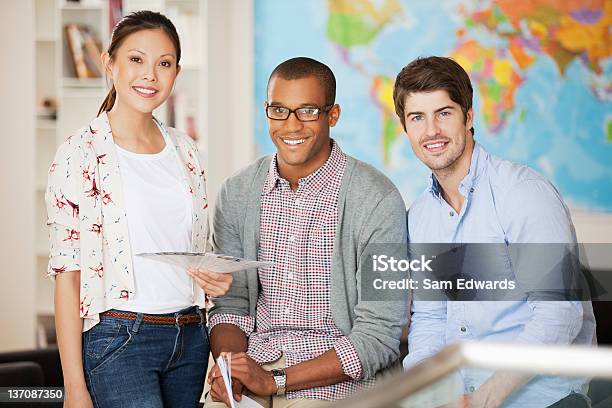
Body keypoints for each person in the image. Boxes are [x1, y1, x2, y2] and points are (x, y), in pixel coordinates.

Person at [46, 11, 232, 408]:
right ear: (109, 63)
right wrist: (74, 388)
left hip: (190, 337)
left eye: (163, 64)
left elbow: (193, 251)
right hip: (120, 339)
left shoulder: (187, 151)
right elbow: (68, 274)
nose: (150, 74)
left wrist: (213, 278)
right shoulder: (79, 154)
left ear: (176, 73)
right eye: (136, 60)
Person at [199, 57, 408, 407]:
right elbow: (231, 304)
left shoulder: (377, 199)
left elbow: (379, 335)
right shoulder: (237, 194)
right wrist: (230, 369)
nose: (291, 126)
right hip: (253, 368)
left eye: (307, 111)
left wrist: (275, 381)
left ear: (333, 115)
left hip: (334, 382)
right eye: (278, 110)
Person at [393, 56, 596, 407]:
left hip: (541, 396)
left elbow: (558, 313)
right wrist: (426, 393)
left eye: (444, 113)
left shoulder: (522, 193)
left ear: (468, 117)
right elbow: (430, 317)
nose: (431, 131)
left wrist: (488, 395)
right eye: (417, 118)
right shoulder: (421, 216)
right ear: (405, 128)